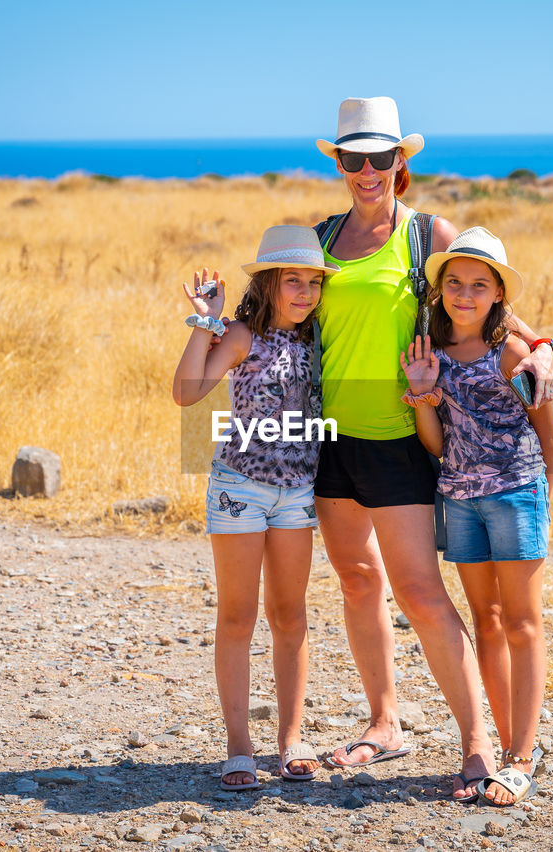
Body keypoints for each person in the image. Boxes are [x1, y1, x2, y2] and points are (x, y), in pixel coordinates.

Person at [311, 96, 553, 801]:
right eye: (352, 158)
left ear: (401, 163)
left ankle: (479, 745)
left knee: (420, 593)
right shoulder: (321, 237)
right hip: (332, 439)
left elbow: (485, 302)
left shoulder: (427, 235)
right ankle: (384, 722)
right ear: (339, 164)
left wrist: (539, 347)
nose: (367, 170)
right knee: (359, 582)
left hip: (403, 437)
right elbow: (286, 314)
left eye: (380, 158)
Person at [171, 225, 335, 791]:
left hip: (298, 492)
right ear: (268, 283)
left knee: (291, 615)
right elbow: (187, 392)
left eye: (314, 282)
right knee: (238, 616)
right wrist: (205, 323)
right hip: (240, 488)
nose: (306, 292)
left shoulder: (321, 337)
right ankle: (239, 745)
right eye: (293, 281)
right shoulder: (239, 335)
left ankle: (292, 737)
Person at [400, 227, 553, 806]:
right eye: (454, 283)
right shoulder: (432, 354)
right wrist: (421, 396)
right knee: (485, 621)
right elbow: (438, 446)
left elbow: (550, 432)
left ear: (497, 295)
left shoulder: (512, 354)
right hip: (459, 499)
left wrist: (544, 497)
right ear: (440, 290)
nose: (464, 294)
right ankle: (509, 740)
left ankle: (521, 758)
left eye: (479, 285)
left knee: (522, 622)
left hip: (516, 494)